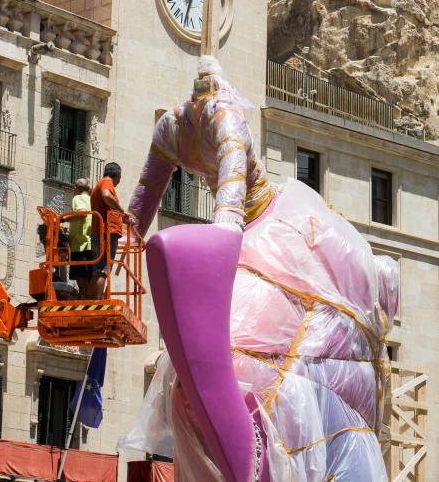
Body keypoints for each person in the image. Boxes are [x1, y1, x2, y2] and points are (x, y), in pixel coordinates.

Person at [119, 55, 398, 482]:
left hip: (265, 222)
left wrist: (126, 246)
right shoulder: (190, 123)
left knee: (292, 335)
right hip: (248, 227)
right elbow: (148, 206)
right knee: (242, 356)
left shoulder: (185, 124)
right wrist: (123, 245)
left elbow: (201, 202)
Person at [89, 162, 129, 300]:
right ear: (117, 175)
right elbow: (106, 196)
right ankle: (98, 301)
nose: (120, 180)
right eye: (120, 177)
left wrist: (123, 218)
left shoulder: (99, 184)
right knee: (102, 270)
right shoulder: (107, 183)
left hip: (99, 232)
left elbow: (106, 208)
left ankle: (92, 300)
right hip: (106, 233)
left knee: (98, 270)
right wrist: (121, 209)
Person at [68, 178, 92, 299]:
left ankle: (83, 303)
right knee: (89, 282)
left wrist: (64, 218)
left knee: (82, 284)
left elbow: (82, 213)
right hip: (92, 245)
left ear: (76, 188)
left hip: (80, 245)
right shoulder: (93, 201)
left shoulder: (77, 198)